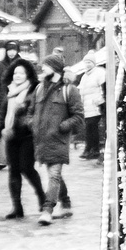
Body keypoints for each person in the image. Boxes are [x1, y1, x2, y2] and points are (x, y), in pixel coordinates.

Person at [32, 49, 84, 225]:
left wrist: (62, 127)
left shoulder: (69, 90)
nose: (42, 68)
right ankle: (66, 203)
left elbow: (78, 116)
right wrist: (32, 123)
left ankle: (47, 210)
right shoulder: (39, 88)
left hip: (59, 139)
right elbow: (31, 111)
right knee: (55, 175)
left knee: (54, 175)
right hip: (42, 140)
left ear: (54, 68)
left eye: (45, 66)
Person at [2, 68, 46, 220]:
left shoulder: (34, 90)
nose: (18, 75)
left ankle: (42, 197)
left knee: (26, 168)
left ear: (27, 75)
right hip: (11, 135)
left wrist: (25, 111)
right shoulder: (10, 91)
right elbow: (3, 114)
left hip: (28, 135)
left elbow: (38, 111)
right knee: (13, 170)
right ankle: (17, 207)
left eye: (21, 73)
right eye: (15, 73)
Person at [0, 42, 35, 171]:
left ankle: (15, 159)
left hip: (19, 102)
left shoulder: (23, 65)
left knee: (16, 131)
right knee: (2, 129)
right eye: (9, 50)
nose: (11, 52)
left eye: (14, 50)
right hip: (3, 102)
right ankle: (1, 159)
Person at [78, 51, 105, 160]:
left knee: (93, 127)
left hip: (95, 106)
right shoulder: (85, 76)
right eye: (86, 62)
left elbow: (104, 88)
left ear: (94, 63)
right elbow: (82, 91)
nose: (87, 64)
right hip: (86, 106)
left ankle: (94, 149)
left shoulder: (100, 72)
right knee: (88, 128)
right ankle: (89, 148)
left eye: (89, 62)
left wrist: (99, 100)